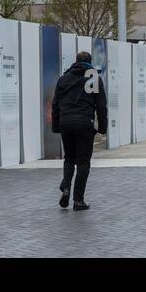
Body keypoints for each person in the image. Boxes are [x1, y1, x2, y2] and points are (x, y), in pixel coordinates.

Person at [51, 50, 108, 210]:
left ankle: (66, 187)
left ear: (75, 62)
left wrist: (56, 126)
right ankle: (78, 200)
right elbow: (100, 105)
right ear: (90, 63)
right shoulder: (92, 79)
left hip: (66, 124)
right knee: (83, 162)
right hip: (84, 124)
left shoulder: (63, 79)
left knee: (69, 158)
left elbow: (55, 105)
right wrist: (103, 127)